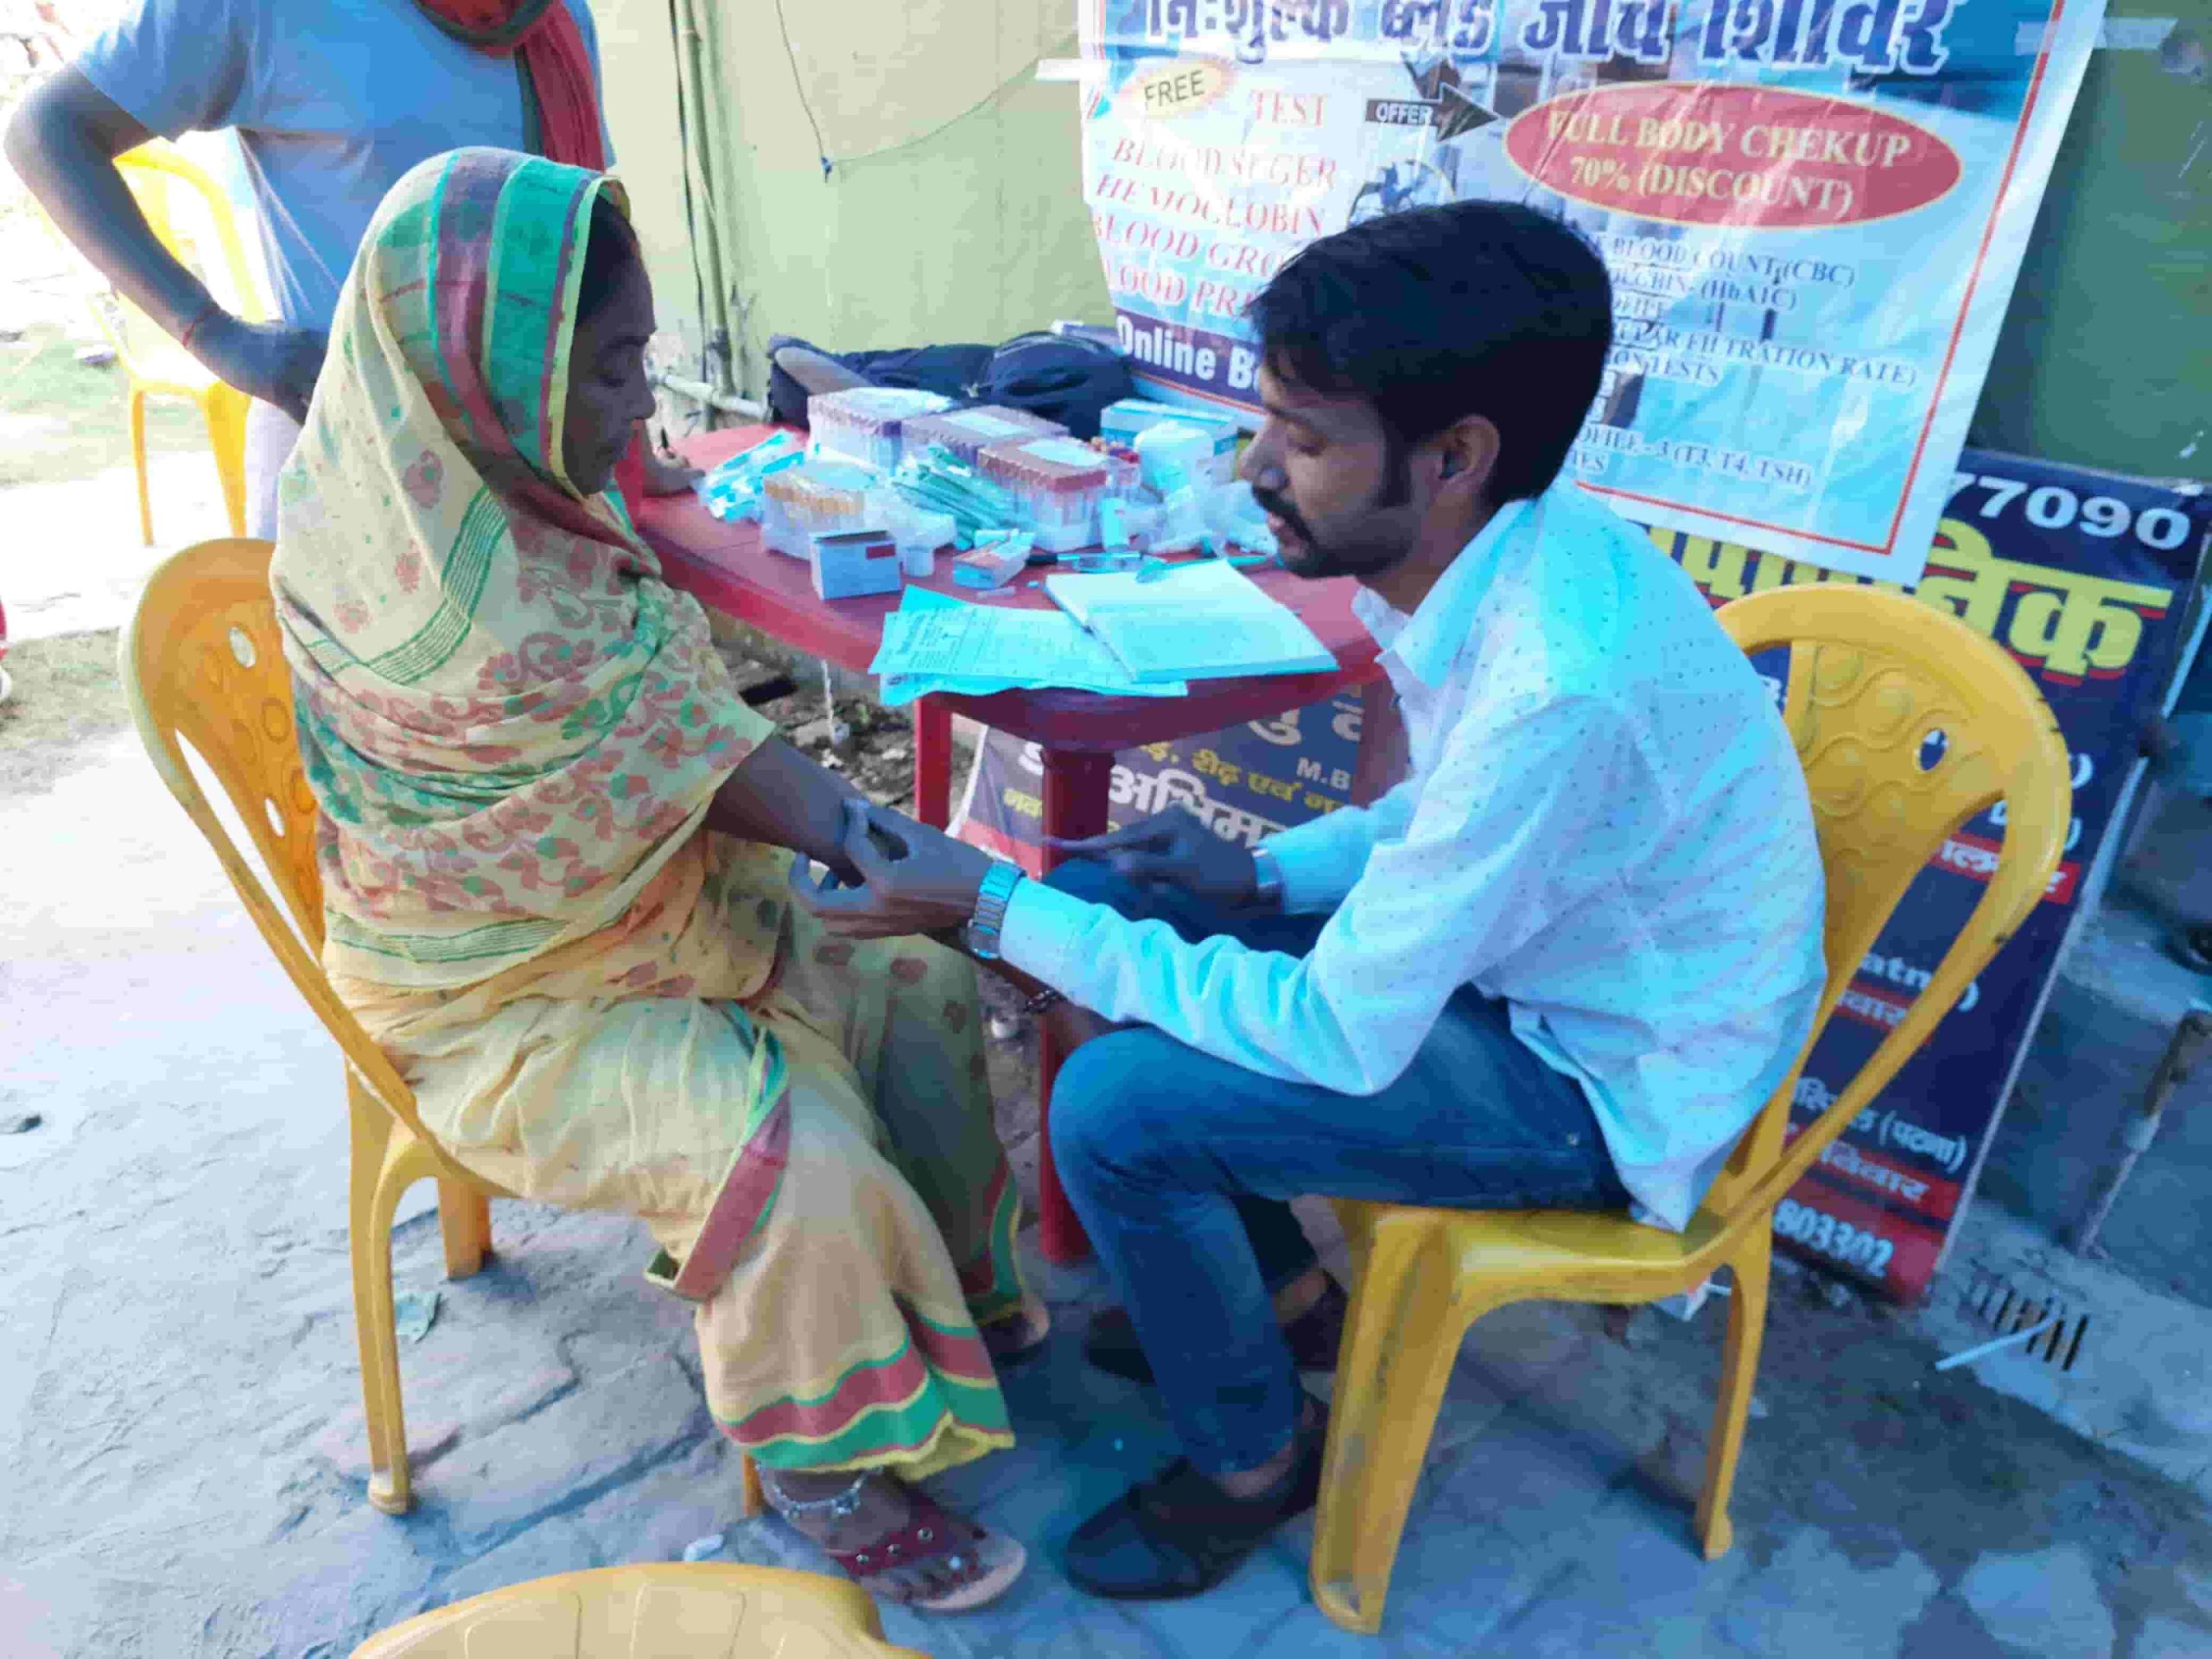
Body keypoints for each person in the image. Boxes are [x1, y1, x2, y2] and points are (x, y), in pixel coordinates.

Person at [790, 201, 1829, 1601]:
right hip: (1543, 972)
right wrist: (1267, 870)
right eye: (1265, 420)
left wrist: (983, 905)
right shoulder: (1503, 555)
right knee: (1113, 912)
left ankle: (1254, 1461)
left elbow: (1345, 1034)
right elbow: (1444, 822)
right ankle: (1283, 1304)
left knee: (1115, 1107)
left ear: (1455, 457)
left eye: (1307, 437)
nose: (1256, 466)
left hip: (1605, 1079)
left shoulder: (1558, 675)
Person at [270, 147, 1042, 1613]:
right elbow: (763, 787)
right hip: (501, 1000)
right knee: (788, 1145)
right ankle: (821, 1459)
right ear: (485, 374)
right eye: (616, 373)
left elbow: (677, 741)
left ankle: (941, 1298)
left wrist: (958, 909)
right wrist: (1016, 901)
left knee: (920, 989)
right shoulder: (492, 609)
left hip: (634, 903)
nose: (639, 408)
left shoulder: (430, 473)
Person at [2, 0, 693, 540]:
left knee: (559, 715)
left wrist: (633, 446)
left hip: (540, 488)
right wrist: (215, 335)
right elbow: (46, 134)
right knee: (376, 721)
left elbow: (585, 247)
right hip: (362, 478)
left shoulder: (554, 17)